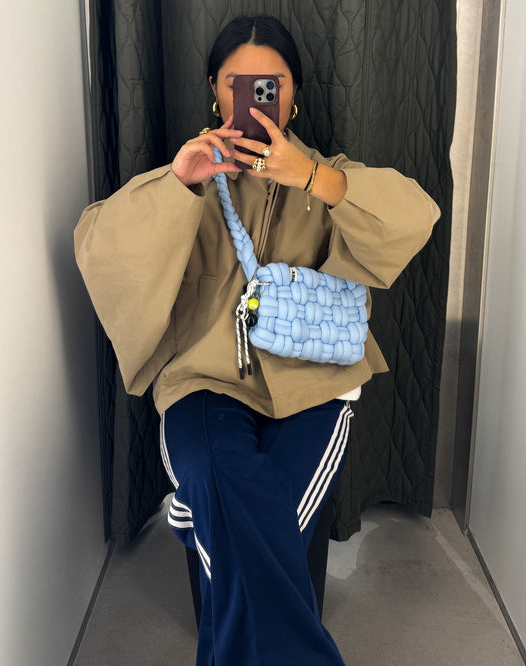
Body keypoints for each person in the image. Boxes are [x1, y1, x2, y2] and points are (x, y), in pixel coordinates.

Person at [75, 15, 440, 666]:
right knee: (249, 510)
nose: (252, 97)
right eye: (234, 84)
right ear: (215, 92)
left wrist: (314, 178)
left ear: (293, 96)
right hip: (204, 380)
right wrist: (179, 183)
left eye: (269, 85)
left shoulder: (330, 176)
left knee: (248, 516)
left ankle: (196, 511)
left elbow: (415, 217)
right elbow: (99, 245)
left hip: (311, 383)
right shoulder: (189, 174)